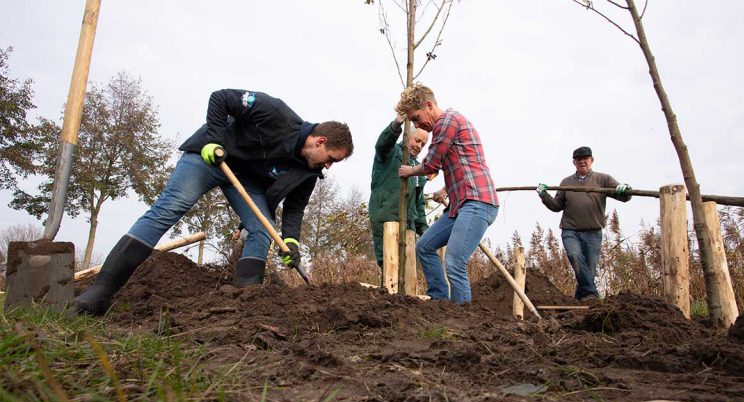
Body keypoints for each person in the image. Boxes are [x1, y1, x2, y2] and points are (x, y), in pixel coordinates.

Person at [75, 89, 353, 315]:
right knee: (169, 209)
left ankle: (247, 304)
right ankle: (99, 293)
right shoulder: (275, 112)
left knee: (262, 228)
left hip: (244, 179)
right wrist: (214, 141)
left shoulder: (309, 171)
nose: (329, 166)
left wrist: (291, 242)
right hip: (209, 158)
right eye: (331, 158)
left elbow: (295, 208)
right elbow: (221, 98)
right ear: (320, 141)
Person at [397, 84, 499, 304]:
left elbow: (432, 164)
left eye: (416, 118)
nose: (417, 125)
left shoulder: (447, 121)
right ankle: (441, 302)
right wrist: (445, 189)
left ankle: (461, 320)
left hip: (477, 201)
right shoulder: (449, 125)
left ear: (429, 105)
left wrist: (410, 171)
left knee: (454, 261)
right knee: (424, 247)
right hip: (460, 204)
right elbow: (461, 163)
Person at [536, 146, 632, 302]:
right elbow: (556, 206)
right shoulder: (566, 182)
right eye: (579, 160)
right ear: (574, 163)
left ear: (591, 160)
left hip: (593, 232)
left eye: (585, 159)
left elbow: (624, 197)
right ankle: (592, 295)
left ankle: (580, 301)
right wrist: (544, 195)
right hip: (570, 231)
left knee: (589, 270)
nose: (582, 162)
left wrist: (626, 190)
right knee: (574, 256)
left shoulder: (603, 179)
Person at [368, 113, 430, 279]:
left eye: (423, 144)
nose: (419, 146)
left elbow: (419, 202)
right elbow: (382, 144)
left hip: (408, 224)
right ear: (407, 135)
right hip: (386, 217)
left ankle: (404, 300)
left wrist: (423, 228)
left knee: (407, 266)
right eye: (417, 140)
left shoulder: (418, 169)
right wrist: (396, 125)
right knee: (389, 263)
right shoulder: (390, 153)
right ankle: (389, 295)